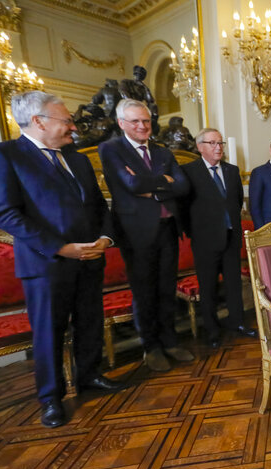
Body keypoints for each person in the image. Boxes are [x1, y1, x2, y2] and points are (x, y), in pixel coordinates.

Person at [0, 91, 123, 428]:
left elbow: (98, 206)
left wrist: (105, 238)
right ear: (38, 121)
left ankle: (89, 375)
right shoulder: (7, 155)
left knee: (89, 321)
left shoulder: (77, 158)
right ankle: (51, 398)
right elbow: (6, 214)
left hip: (90, 257)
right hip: (46, 264)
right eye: (65, 120)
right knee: (49, 332)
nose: (72, 126)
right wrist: (60, 248)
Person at [99, 99, 193, 372]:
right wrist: (165, 182)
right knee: (145, 292)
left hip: (167, 230)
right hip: (136, 233)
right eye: (135, 121)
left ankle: (170, 341)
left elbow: (184, 186)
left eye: (146, 121)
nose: (142, 126)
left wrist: (150, 187)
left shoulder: (163, 152)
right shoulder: (111, 149)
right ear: (121, 123)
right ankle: (151, 347)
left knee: (166, 290)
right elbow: (129, 183)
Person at [180, 128, 258, 348]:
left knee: (234, 284)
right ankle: (212, 331)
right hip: (205, 241)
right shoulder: (188, 171)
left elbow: (235, 202)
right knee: (208, 287)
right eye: (212, 143)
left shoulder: (232, 171)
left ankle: (237, 323)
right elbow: (183, 208)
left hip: (231, 237)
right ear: (200, 147)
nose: (218, 147)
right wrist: (194, 232)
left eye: (220, 143)